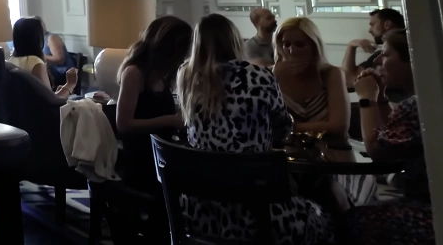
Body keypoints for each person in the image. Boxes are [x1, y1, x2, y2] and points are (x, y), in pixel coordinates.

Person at [177, 14, 332, 244]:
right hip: (256, 210)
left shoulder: (186, 78)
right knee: (324, 217)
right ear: (234, 41)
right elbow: (283, 128)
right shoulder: (259, 76)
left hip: (200, 210)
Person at [345, 29, 432, 245]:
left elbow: (378, 152)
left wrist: (366, 98)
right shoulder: (427, 97)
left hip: (431, 212)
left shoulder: (417, 105)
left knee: (352, 220)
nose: (378, 60)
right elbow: (392, 135)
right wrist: (381, 98)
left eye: (386, 54)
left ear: (411, 59)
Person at [114, 15, 192, 190]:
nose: (182, 59)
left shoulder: (162, 74)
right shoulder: (134, 73)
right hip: (144, 158)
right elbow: (123, 124)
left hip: (162, 152)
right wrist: (170, 120)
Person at [271, 16, 348, 138]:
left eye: (299, 44)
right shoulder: (271, 75)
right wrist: (273, 79)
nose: (292, 50)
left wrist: (289, 127)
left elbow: (339, 127)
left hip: (330, 150)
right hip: (283, 150)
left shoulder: (330, 74)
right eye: (286, 44)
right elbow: (261, 124)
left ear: (314, 47)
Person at [9, 17, 77, 97]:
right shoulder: (35, 63)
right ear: (38, 38)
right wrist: (70, 84)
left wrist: (59, 91)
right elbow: (51, 101)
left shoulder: (10, 60)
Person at [342, 7, 404, 80]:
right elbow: (348, 79)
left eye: (372, 25)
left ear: (387, 24)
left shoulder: (407, 46)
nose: (370, 30)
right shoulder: (378, 55)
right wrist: (352, 45)